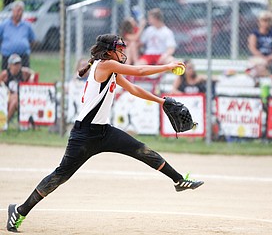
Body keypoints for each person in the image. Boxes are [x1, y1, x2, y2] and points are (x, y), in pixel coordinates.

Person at [6, 34, 204, 232]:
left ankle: (178, 180)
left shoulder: (110, 69)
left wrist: (161, 102)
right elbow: (140, 70)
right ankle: (19, 211)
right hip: (84, 135)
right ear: (109, 51)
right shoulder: (105, 65)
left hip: (104, 132)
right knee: (60, 176)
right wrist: (167, 67)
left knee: (141, 150)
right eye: (119, 49)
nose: (123, 52)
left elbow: (133, 89)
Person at [0, 0, 36, 70]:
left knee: (24, 76)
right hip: (7, 56)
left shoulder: (27, 25)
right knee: (7, 77)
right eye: (17, 11)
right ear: (13, 11)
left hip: (23, 56)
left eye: (21, 11)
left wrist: (24, 47)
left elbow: (32, 40)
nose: (19, 13)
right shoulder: (4, 25)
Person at [0, 53, 36, 122]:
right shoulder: (5, 74)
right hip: (7, 96)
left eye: (19, 64)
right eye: (15, 64)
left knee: (16, 100)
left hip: (21, 97)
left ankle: (5, 122)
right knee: (15, 99)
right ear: (10, 65)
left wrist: (31, 79)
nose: (17, 66)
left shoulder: (23, 72)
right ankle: (5, 121)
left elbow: (33, 74)